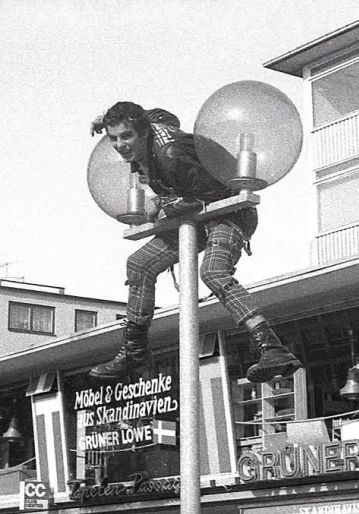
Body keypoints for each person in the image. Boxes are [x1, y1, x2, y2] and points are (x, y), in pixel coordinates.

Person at [89, 101, 302, 384]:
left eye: (126, 136)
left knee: (213, 272)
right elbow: (166, 115)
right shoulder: (150, 130)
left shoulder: (170, 154)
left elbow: (213, 193)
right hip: (197, 217)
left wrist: (167, 202)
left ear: (143, 133)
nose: (119, 145)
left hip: (229, 212)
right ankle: (134, 350)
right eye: (113, 138)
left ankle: (272, 347)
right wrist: (105, 119)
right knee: (140, 265)